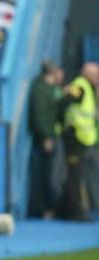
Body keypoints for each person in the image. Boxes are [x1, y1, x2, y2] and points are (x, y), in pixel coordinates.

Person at [58, 63, 99, 221]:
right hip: (75, 138)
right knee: (74, 176)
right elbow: (62, 103)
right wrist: (64, 126)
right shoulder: (80, 87)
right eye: (96, 74)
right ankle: (75, 211)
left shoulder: (88, 88)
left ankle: (67, 208)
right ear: (87, 74)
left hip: (85, 139)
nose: (98, 78)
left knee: (76, 175)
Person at [27, 62, 60, 219]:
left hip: (49, 135)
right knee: (43, 175)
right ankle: (42, 209)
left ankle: (47, 208)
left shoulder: (48, 88)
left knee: (47, 174)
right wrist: (46, 136)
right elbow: (39, 114)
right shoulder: (40, 89)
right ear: (51, 71)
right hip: (43, 137)